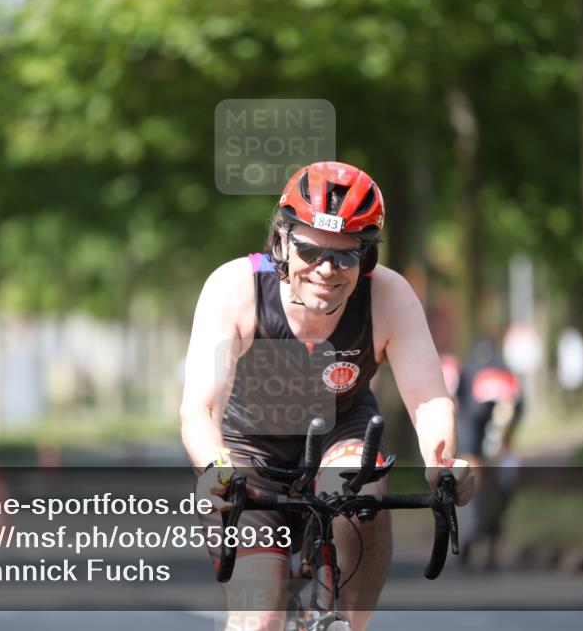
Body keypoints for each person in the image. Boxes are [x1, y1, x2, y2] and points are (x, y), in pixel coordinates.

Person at [179, 161, 476, 631]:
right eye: (309, 250)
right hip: (249, 453)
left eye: (345, 257)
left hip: (341, 430)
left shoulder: (388, 296)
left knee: (362, 484)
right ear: (281, 242)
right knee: (259, 620)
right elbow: (202, 407)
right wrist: (216, 469)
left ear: (368, 259)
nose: (325, 270)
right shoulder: (235, 289)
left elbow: (429, 400)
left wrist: (443, 462)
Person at [454, 339, 523, 570]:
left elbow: (462, 408)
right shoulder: (506, 373)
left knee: (470, 485)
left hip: (480, 437)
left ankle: (471, 536)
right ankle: (481, 537)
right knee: (499, 487)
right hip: (494, 440)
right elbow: (519, 408)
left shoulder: (471, 372)